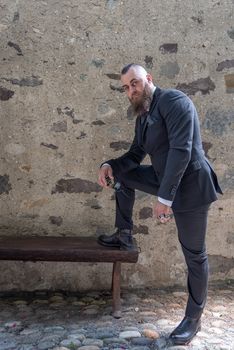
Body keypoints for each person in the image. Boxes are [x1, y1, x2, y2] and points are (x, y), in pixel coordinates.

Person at [97, 63, 222, 345]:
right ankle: (124, 232)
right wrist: (109, 164)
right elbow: (135, 154)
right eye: (126, 87)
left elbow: (181, 151)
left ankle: (193, 318)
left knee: (195, 254)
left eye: (135, 83)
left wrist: (164, 201)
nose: (131, 90)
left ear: (148, 79)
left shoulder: (174, 101)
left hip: (191, 184)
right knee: (122, 174)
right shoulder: (143, 117)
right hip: (162, 177)